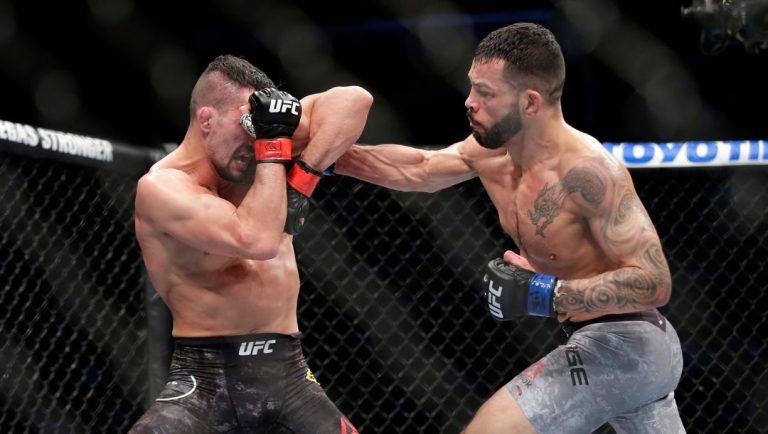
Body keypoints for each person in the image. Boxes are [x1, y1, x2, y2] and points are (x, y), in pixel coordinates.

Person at [335, 23, 685, 433]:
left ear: (530, 103)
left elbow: (654, 282)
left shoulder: (588, 173)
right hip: (609, 344)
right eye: (471, 88)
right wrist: (328, 157)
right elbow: (420, 169)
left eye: (485, 93)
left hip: (627, 344)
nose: (469, 102)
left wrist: (547, 293)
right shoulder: (492, 153)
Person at [130, 54, 372, 433]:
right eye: (247, 124)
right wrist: (273, 141)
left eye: (258, 124)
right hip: (204, 382)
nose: (254, 136)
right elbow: (257, 240)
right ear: (206, 119)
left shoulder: (255, 153)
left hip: (290, 377)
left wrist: (301, 181)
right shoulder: (162, 187)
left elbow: (355, 100)